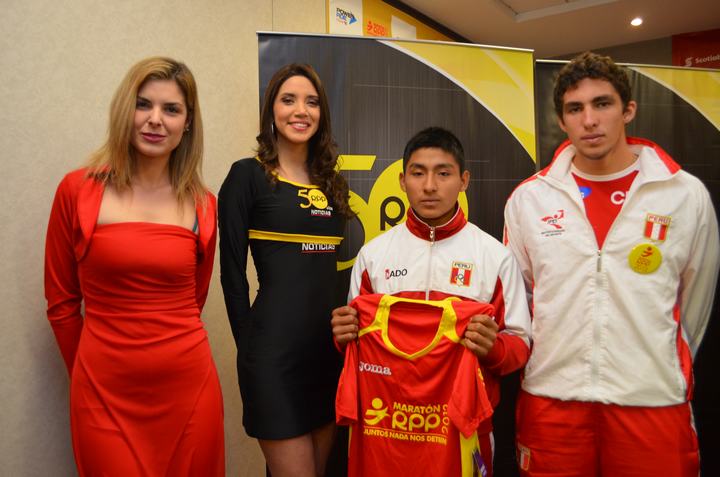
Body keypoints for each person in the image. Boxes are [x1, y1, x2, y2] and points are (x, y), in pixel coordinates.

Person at [504, 51, 720, 476]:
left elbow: (695, 303)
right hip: (552, 401)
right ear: (561, 120)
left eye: (602, 104)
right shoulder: (529, 199)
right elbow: (520, 302)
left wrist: (655, 364)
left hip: (652, 402)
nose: (590, 120)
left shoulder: (683, 194)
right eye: (575, 109)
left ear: (628, 110)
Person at [44, 57, 223, 476]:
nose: (155, 119)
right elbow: (61, 305)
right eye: (143, 105)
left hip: (189, 391)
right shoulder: (76, 191)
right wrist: (88, 374)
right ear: (125, 110)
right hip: (101, 393)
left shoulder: (204, 205)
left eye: (171, 109)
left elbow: (194, 301)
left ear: (187, 123)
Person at [332, 127, 532, 476]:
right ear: (402, 180)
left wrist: (494, 348)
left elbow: (519, 345)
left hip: (463, 429)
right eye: (418, 173)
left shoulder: (494, 256)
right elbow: (357, 346)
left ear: (464, 180)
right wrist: (342, 336)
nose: (429, 186)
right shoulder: (373, 256)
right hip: (388, 429)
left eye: (443, 173)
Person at [218, 63, 353, 477]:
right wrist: (249, 349)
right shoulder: (247, 176)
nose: (300, 111)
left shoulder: (333, 183)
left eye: (312, 102)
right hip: (273, 359)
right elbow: (232, 276)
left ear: (322, 113)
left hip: (327, 356)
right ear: (271, 110)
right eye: (288, 100)